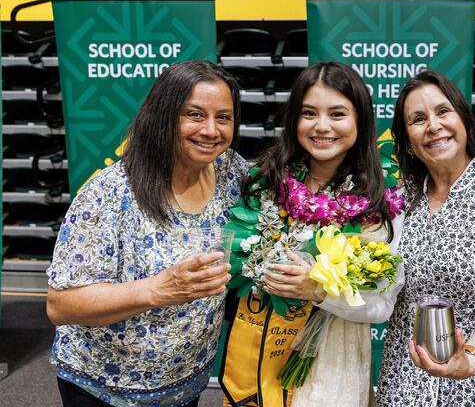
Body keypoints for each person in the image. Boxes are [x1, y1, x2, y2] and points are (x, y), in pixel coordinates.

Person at [45, 60, 248, 406]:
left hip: (186, 383)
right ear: (164, 115)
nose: (211, 130)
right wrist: (159, 289)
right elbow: (61, 305)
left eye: (223, 117)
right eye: (194, 114)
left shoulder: (232, 172)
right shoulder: (110, 192)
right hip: (104, 389)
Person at [218, 61, 405, 407]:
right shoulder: (266, 182)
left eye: (337, 114)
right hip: (256, 349)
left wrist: (318, 290)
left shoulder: (380, 202)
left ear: (360, 120)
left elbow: (382, 305)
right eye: (309, 113)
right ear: (293, 119)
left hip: (331, 360)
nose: (322, 127)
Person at [375, 70, 475, 406]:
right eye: (418, 119)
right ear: (409, 143)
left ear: (464, 120)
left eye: (443, 111)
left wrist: (470, 357)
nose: (433, 126)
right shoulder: (399, 198)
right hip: (403, 378)